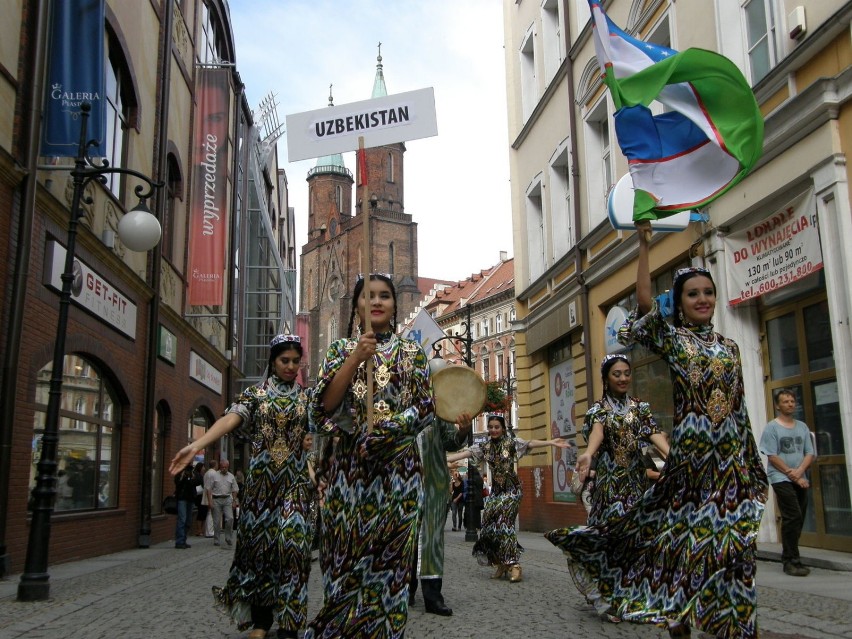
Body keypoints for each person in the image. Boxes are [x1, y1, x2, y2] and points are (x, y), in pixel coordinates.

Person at [545, 224, 768, 638]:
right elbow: (645, 302)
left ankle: (736, 624)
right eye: (692, 293)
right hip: (690, 473)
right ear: (680, 304)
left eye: (708, 292)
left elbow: (738, 411)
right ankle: (676, 613)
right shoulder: (675, 340)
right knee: (680, 547)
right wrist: (645, 245)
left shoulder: (731, 348)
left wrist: (750, 463)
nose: (703, 299)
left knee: (736, 548)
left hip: (730, 467)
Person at [305, 273, 434, 639]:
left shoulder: (411, 353)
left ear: (394, 306)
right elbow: (323, 408)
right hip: (348, 476)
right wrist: (355, 359)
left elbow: (425, 407)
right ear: (357, 305)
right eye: (367, 296)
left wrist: (391, 430)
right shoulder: (339, 352)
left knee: (390, 567)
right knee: (343, 563)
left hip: (399, 478)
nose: (376, 302)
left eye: (384, 296)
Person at [169, 334, 313, 639]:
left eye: (295, 362)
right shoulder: (256, 396)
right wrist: (196, 445)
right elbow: (231, 418)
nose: (290, 367)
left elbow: (328, 423)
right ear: (273, 362)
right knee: (259, 552)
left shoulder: (306, 398)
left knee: (294, 549)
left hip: (295, 487)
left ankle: (289, 623)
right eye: (284, 361)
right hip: (261, 490)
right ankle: (261, 620)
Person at [550, 354, 669, 530]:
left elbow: (653, 433)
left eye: (627, 374)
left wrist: (671, 455)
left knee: (638, 528)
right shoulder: (598, 410)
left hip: (636, 479)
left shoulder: (640, 408)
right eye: (617, 374)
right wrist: (589, 453)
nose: (623, 378)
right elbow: (598, 432)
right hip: (610, 482)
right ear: (606, 378)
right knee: (612, 528)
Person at [448, 414, 570, 584]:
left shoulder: (511, 443)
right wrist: (445, 458)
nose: (493, 430)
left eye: (496, 427)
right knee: (489, 525)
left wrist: (551, 442)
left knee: (504, 524)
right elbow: (467, 453)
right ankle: (501, 562)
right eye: (490, 427)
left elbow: (529, 443)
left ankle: (514, 564)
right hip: (496, 493)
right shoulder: (485, 446)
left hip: (512, 491)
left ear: (503, 429)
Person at [409, 413, 472, 616]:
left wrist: (462, 430)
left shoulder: (437, 411)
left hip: (433, 486)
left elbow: (451, 441)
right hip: (403, 485)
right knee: (403, 540)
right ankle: (403, 592)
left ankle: (433, 597)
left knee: (432, 540)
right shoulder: (397, 402)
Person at [759, 389, 815, 577]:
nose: (790, 404)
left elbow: (810, 453)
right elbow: (772, 456)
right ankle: (790, 560)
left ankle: (792, 554)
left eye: (792, 401)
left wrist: (800, 473)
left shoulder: (802, 427)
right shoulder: (772, 428)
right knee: (792, 515)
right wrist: (794, 475)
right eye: (785, 401)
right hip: (780, 478)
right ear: (777, 405)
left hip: (800, 478)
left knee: (799, 516)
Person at [207, 459, 239, 547]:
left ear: (228, 467)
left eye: (225, 467)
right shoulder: (214, 475)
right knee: (217, 521)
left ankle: (228, 537)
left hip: (227, 499)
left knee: (230, 518)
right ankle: (216, 539)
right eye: (222, 467)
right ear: (220, 467)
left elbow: (235, 489)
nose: (223, 469)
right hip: (216, 499)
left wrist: (234, 501)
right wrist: (210, 501)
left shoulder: (231, 476)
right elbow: (209, 489)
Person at [173, 462, 198, 549]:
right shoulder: (180, 472)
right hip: (182, 498)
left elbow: (198, 481)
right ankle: (179, 541)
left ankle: (183, 539)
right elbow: (177, 483)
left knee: (188, 520)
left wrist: (191, 479)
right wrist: (183, 477)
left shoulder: (193, 472)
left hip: (190, 499)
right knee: (182, 519)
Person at [192, 462, 207, 536]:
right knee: (201, 513)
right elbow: (197, 484)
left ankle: (201, 529)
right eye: (203, 467)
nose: (204, 469)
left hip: (202, 496)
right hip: (199, 497)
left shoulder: (201, 475)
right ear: (200, 468)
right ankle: (199, 530)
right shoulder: (197, 475)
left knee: (203, 513)